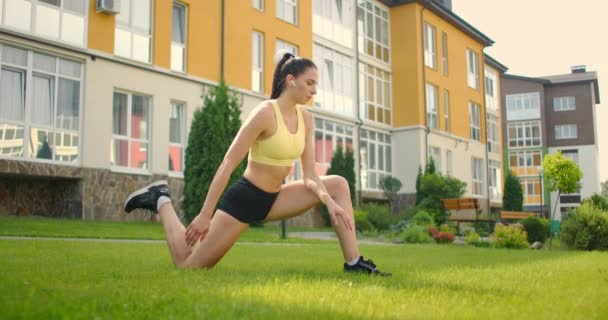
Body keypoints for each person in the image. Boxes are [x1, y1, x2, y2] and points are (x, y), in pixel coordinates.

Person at [124, 50, 391, 276]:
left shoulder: (307, 119)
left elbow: (310, 175)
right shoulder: (265, 113)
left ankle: (354, 262)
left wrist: (328, 201)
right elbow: (228, 162)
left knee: (339, 185)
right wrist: (206, 215)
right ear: (291, 81)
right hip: (245, 199)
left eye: (316, 84)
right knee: (188, 265)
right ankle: (161, 200)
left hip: (276, 198)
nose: (314, 90)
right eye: (310, 83)